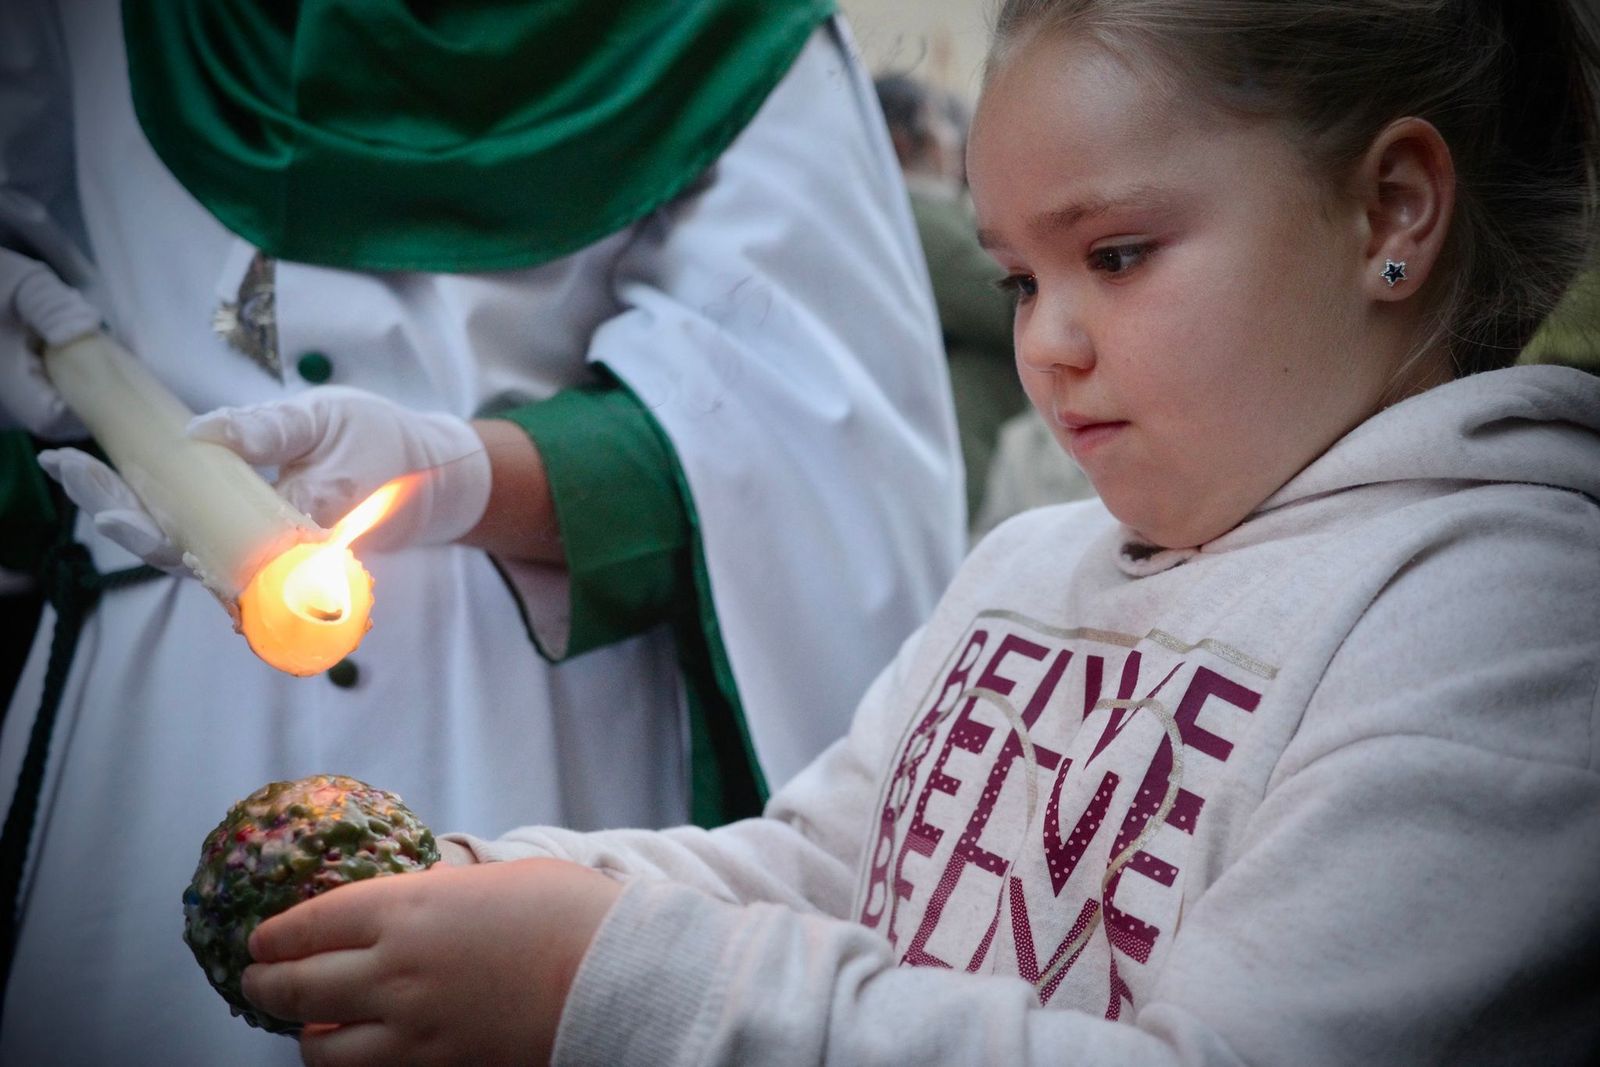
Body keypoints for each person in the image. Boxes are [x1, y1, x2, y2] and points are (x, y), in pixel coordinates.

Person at [241, 0, 1600, 1063]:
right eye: (1017, 281)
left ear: (1390, 209)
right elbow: (817, 867)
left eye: (1114, 255)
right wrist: (489, 889)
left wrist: (606, 986)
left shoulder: (1504, 629)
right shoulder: (1026, 569)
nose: (1047, 344)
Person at [0, 0, 965, 1063]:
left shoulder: (720, 29)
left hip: (524, 722)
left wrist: (453, 474)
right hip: (161, 710)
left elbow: (797, 424)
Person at [876, 73, 1031, 529]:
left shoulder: (912, 214)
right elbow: (1004, 308)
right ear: (902, 141)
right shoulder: (917, 220)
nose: (952, 138)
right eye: (939, 122)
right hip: (965, 445)